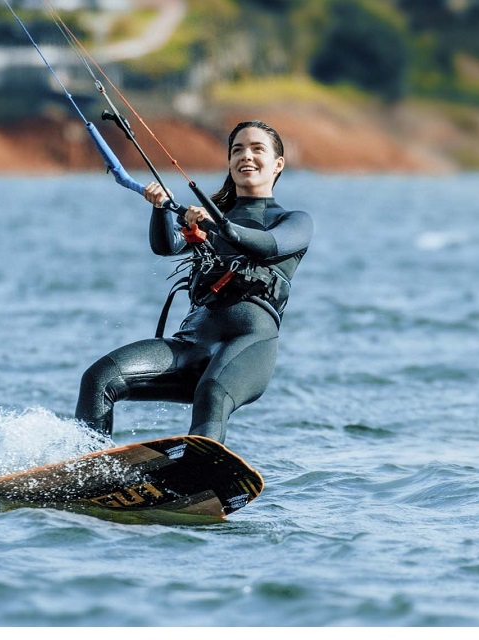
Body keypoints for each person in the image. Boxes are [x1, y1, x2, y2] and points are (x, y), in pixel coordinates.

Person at [75, 120, 313, 444]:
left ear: (278, 164)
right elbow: (166, 246)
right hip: (192, 342)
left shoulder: (293, 221)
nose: (246, 155)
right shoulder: (208, 217)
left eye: (257, 149)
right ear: (229, 161)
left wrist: (219, 224)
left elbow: (267, 245)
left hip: (248, 344)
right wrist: (160, 209)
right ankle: (88, 473)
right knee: (99, 378)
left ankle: (199, 475)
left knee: (212, 393)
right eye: (237, 149)